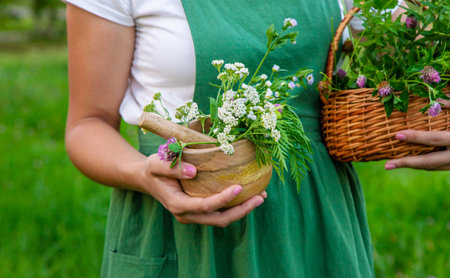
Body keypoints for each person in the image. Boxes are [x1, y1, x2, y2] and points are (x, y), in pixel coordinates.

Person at [62, 0, 449, 277]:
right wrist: (142, 174)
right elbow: (87, 124)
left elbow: (408, 49)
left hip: (315, 219)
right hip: (181, 220)